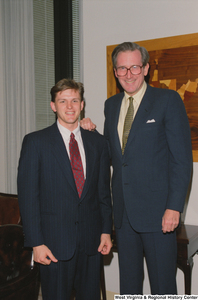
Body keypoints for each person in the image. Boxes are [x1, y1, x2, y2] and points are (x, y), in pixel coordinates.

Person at [80, 42, 193, 295]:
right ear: (115, 72)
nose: (128, 74)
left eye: (134, 67)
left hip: (158, 214)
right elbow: (114, 154)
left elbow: (181, 160)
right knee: (129, 285)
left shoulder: (167, 100)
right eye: (122, 68)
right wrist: (91, 133)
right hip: (123, 215)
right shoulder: (111, 105)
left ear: (145, 69)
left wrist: (174, 207)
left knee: (163, 286)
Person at [17, 78, 112, 300]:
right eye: (62, 101)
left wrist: (106, 230)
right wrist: (36, 243)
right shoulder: (35, 142)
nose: (69, 107)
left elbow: (103, 193)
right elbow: (28, 197)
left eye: (74, 100)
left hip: (91, 244)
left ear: (82, 105)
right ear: (53, 106)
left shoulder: (97, 143)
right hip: (53, 246)